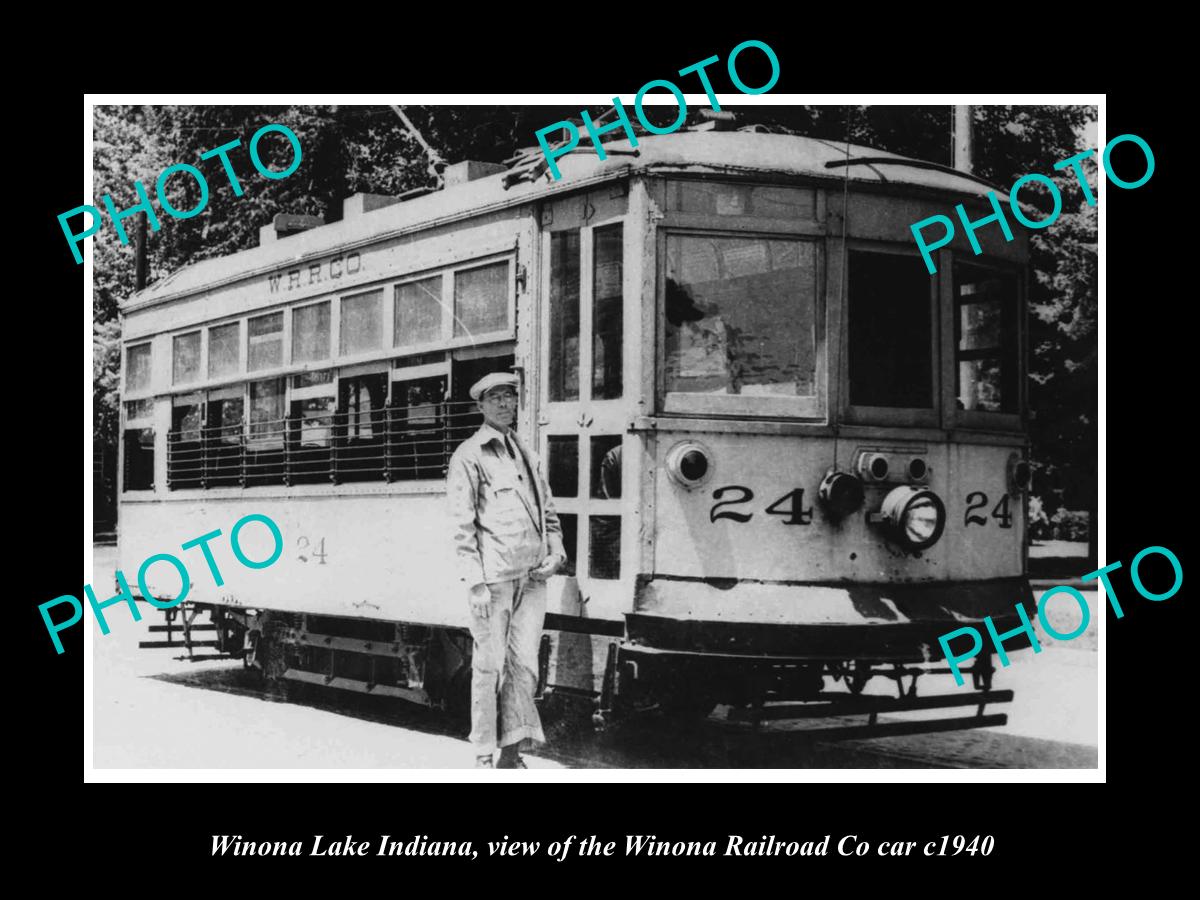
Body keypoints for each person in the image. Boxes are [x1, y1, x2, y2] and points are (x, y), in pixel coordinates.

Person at [446, 372, 567, 768]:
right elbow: (461, 527)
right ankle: (483, 752)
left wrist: (556, 554)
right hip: (494, 581)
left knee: (524, 667)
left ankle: (511, 752)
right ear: (480, 406)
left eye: (509, 397)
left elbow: (548, 514)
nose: (504, 404)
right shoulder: (469, 455)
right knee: (488, 667)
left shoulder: (527, 454)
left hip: (532, 579)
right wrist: (475, 583)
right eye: (494, 398)